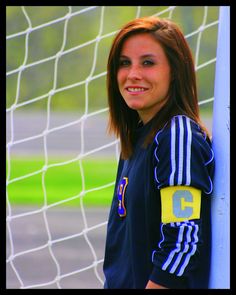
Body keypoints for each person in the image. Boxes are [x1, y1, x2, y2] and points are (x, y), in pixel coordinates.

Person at [103, 16, 215, 289]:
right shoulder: (138, 137)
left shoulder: (177, 135)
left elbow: (182, 241)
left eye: (148, 63)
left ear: (175, 71)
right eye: (124, 63)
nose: (133, 74)